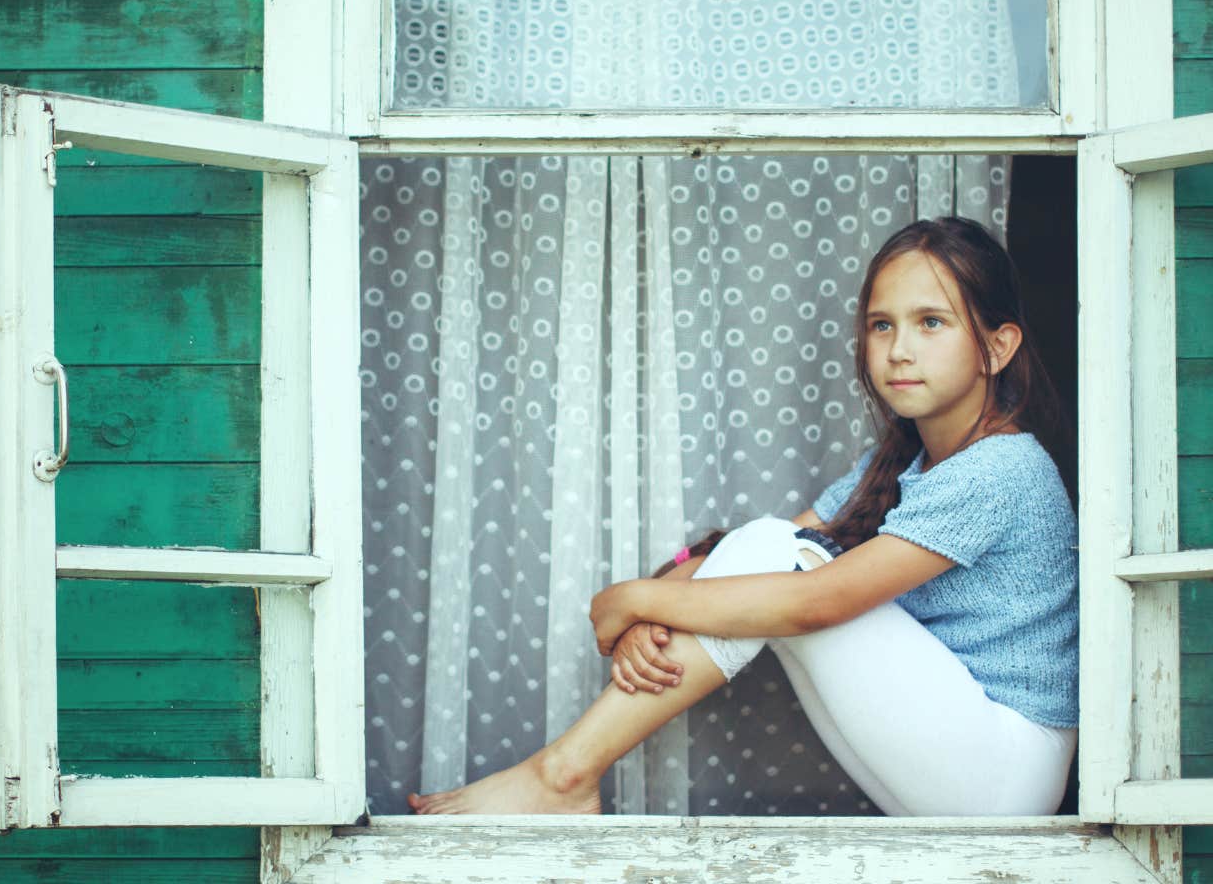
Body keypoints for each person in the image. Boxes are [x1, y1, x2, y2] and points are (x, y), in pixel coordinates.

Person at [407, 216, 1077, 817]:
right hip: (957, 763)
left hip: (1006, 771)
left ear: (998, 345)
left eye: (931, 323)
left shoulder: (1000, 470)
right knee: (773, 548)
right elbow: (765, 547)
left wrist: (634, 600)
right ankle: (561, 778)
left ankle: (561, 776)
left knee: (781, 559)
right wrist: (663, 604)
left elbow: (815, 597)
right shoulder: (903, 462)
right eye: (882, 325)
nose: (899, 349)